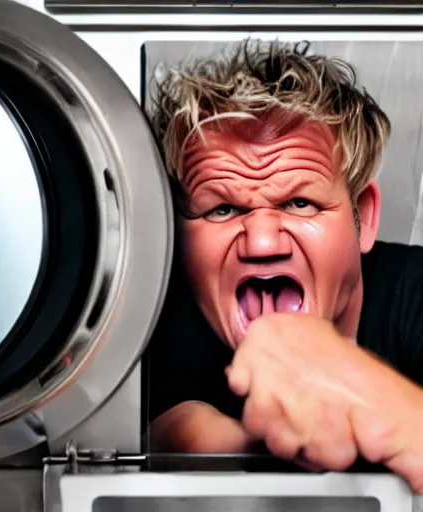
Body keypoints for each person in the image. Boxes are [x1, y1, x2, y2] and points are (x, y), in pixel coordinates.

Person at [145, 39, 423, 492]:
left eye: (299, 203)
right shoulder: (154, 319)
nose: (261, 242)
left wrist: (361, 392)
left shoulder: (413, 292)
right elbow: (172, 429)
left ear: (364, 217)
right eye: (222, 209)